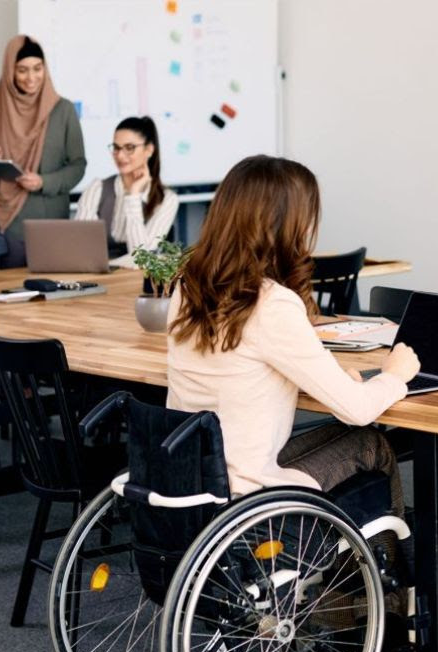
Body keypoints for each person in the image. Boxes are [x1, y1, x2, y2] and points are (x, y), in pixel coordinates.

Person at [167, 154, 419, 509]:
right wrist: (395, 375)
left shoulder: (188, 287)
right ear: (286, 223)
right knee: (370, 443)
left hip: (193, 480)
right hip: (246, 491)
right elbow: (357, 410)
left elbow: (243, 368)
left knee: (343, 436)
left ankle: (371, 559)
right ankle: (389, 562)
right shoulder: (270, 303)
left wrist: (330, 378)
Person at [0, 35, 86, 268]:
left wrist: (44, 181)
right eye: (22, 70)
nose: (31, 78)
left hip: (49, 225)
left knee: (47, 299)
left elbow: (78, 165)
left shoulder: (62, 110)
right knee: (1, 298)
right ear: (10, 71)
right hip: (6, 226)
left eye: (37, 68)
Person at [74, 116, 179, 268]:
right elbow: (79, 246)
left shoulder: (167, 199)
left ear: (149, 150)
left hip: (138, 279)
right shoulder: (97, 188)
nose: (120, 156)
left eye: (129, 148)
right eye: (116, 148)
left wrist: (134, 195)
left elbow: (142, 258)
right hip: (98, 274)